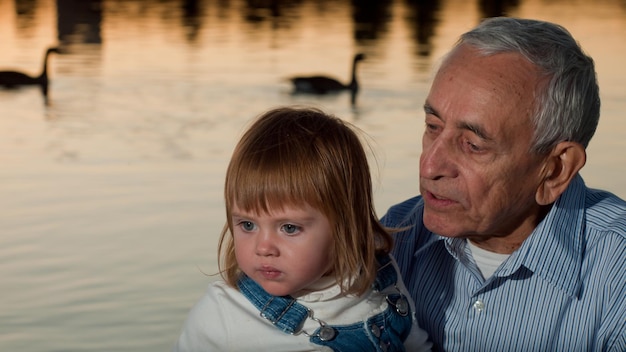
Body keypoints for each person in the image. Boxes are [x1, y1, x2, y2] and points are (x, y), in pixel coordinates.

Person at [381, 16, 626, 351]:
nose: (429, 164)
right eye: (432, 126)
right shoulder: (394, 236)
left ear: (554, 170)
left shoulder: (617, 270)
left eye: (473, 145)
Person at [173, 107, 432, 351]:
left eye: (288, 228)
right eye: (248, 225)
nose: (263, 247)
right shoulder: (222, 314)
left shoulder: (382, 282)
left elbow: (416, 346)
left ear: (345, 225)